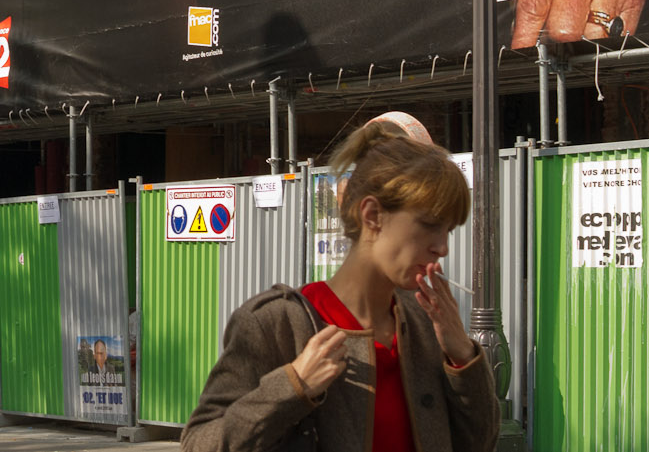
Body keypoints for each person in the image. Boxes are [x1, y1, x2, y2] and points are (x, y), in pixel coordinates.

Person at [181, 118, 496, 452]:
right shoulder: (277, 324)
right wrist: (293, 386)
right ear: (372, 214)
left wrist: (462, 357)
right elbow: (198, 444)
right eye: (430, 225)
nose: (442, 247)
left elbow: (480, 444)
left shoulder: (426, 325)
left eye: (449, 229)